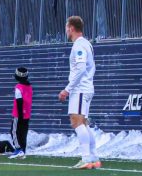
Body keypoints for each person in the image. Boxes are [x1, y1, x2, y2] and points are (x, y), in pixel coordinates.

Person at [58, 15, 100, 170]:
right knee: (83, 123)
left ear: (71, 28)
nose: (66, 31)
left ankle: (86, 158)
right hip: (85, 88)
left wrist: (67, 89)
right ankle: (93, 157)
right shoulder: (85, 44)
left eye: (66, 28)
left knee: (76, 122)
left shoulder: (79, 45)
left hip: (80, 89)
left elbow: (81, 68)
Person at [9, 66, 34, 159]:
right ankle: (23, 150)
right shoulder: (30, 87)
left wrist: (19, 116)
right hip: (27, 114)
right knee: (23, 133)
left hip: (18, 114)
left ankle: (18, 149)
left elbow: (19, 101)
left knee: (14, 131)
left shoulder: (18, 87)